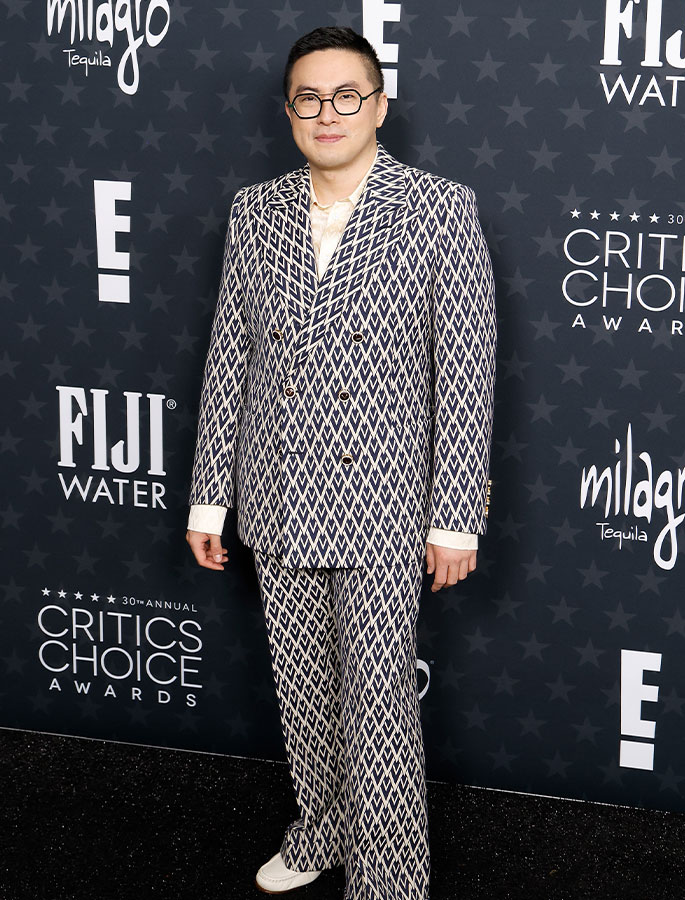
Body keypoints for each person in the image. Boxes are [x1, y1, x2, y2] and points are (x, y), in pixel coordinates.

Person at [185, 25, 496, 900]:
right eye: (309, 98)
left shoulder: (439, 207)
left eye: (347, 95)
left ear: (380, 105)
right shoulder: (256, 210)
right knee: (304, 693)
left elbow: (465, 369)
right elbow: (230, 358)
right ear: (289, 112)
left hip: (384, 501)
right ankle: (321, 830)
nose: (329, 113)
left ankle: (389, 880)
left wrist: (455, 517)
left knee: (378, 708)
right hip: (276, 489)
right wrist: (209, 501)